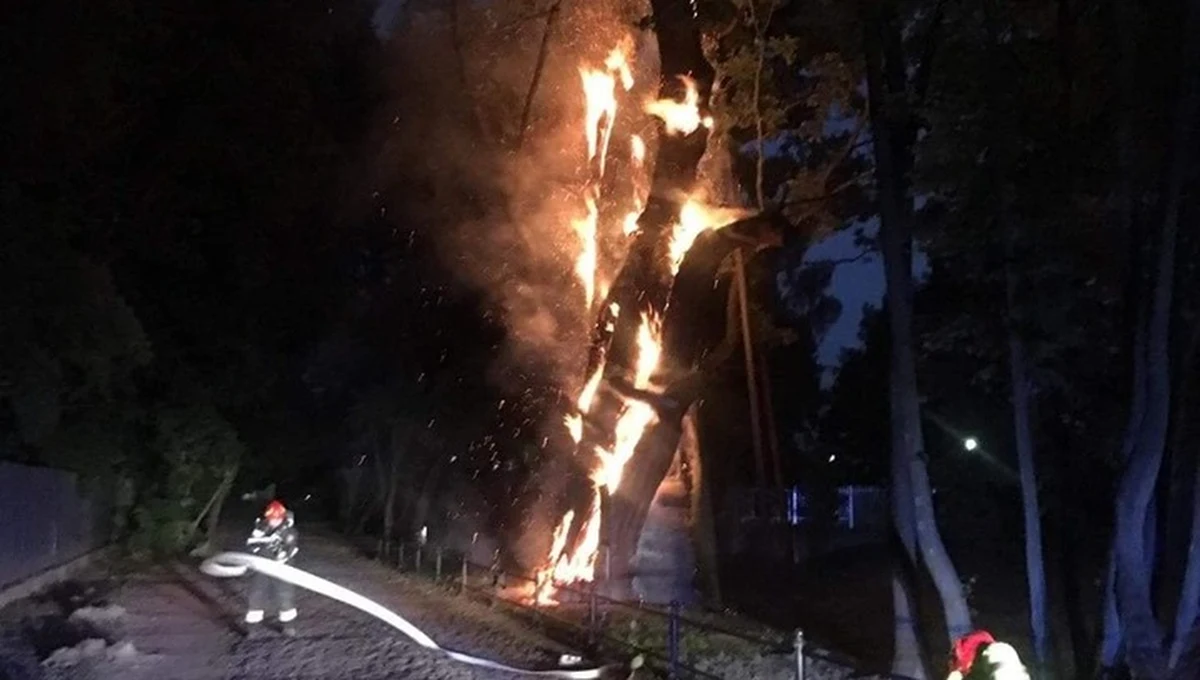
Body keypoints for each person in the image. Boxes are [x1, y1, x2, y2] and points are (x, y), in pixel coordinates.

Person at [244, 500, 299, 636]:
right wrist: (259, 546)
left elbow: (290, 550)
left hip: (282, 569)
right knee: (256, 595)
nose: (274, 522)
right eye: (271, 519)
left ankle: (289, 627)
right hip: (261, 567)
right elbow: (251, 545)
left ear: (282, 518)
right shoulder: (260, 529)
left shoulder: (289, 532)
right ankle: (252, 629)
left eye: (277, 519)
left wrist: (282, 555)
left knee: (285, 595)